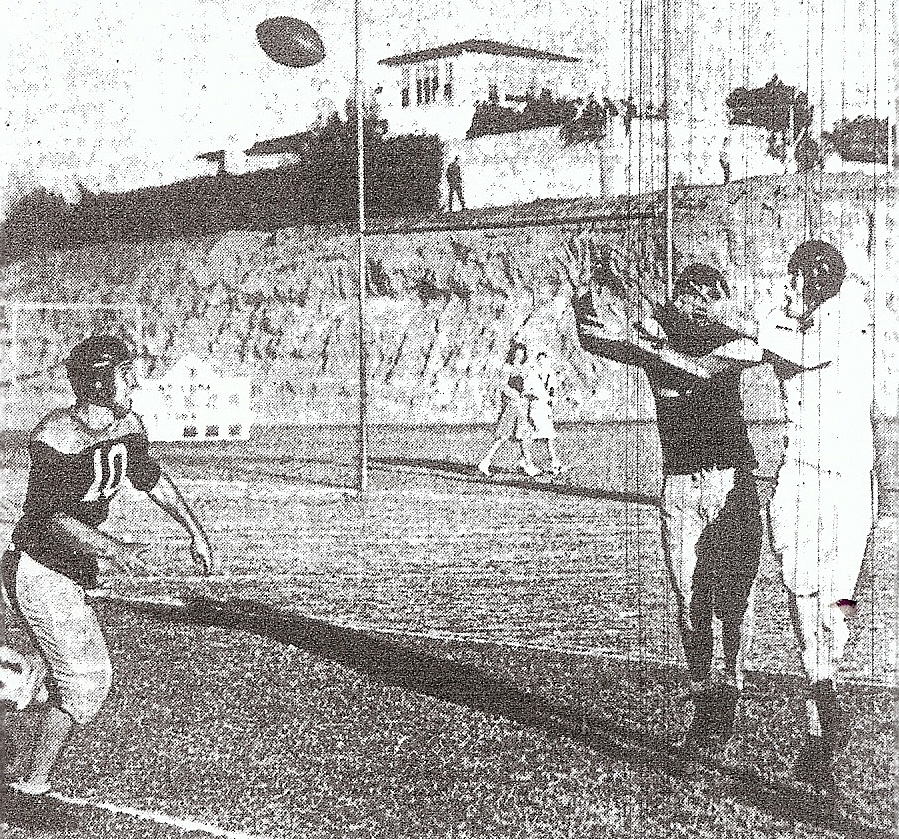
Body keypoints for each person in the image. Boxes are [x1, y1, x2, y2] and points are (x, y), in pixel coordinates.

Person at [1, 334, 214, 797]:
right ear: (100, 381)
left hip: (66, 570)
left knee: (72, 680)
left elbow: (151, 480)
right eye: (125, 373)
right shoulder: (58, 436)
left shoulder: (126, 425)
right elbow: (49, 519)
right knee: (87, 682)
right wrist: (112, 548)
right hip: (38, 568)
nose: (134, 382)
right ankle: (29, 781)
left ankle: (19, 702)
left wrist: (193, 531)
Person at [575, 263, 763, 748]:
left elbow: (696, 369)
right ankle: (704, 701)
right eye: (688, 294)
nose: (694, 303)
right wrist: (584, 302)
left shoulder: (734, 340)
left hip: (732, 482)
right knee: (687, 596)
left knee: (732, 600)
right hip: (679, 487)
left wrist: (644, 345)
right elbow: (594, 340)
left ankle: (732, 683)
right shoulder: (658, 335)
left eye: (704, 295)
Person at [755, 241, 874, 786]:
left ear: (817, 278)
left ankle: (826, 695)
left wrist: (778, 311)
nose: (789, 284)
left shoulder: (848, 315)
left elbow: (796, 349)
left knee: (833, 607)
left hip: (845, 480)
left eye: (796, 275)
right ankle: (822, 717)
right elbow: (773, 342)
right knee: (801, 596)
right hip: (800, 474)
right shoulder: (800, 319)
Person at [478, 341, 540, 478]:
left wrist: (529, 394)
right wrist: (517, 396)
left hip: (522, 405)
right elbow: (503, 386)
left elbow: (524, 387)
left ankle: (525, 463)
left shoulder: (523, 368)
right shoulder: (507, 368)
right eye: (517, 354)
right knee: (509, 435)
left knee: (524, 435)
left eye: (522, 354)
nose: (519, 356)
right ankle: (526, 465)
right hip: (513, 405)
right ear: (512, 354)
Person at [523, 348, 564, 475]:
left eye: (545, 360)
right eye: (540, 360)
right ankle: (527, 462)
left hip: (545, 409)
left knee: (548, 436)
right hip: (535, 408)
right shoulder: (532, 374)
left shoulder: (550, 374)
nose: (542, 362)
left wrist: (551, 401)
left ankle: (554, 463)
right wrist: (534, 395)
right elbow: (526, 390)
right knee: (533, 436)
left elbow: (553, 391)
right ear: (537, 361)